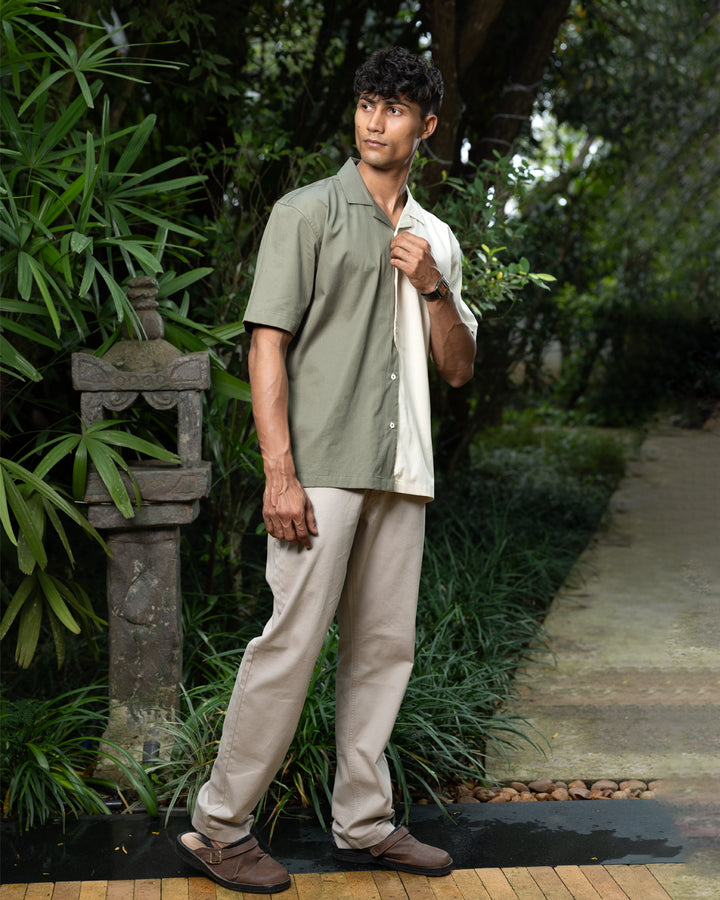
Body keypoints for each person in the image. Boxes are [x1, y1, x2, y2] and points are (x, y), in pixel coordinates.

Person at [177, 46, 478, 894]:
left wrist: (433, 288)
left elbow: (455, 367)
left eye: (394, 109)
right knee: (290, 645)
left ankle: (364, 824)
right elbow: (265, 343)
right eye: (367, 105)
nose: (375, 121)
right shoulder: (305, 213)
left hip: (402, 471)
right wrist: (280, 473)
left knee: (384, 652)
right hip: (322, 472)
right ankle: (219, 829)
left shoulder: (438, 240)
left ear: (426, 125)